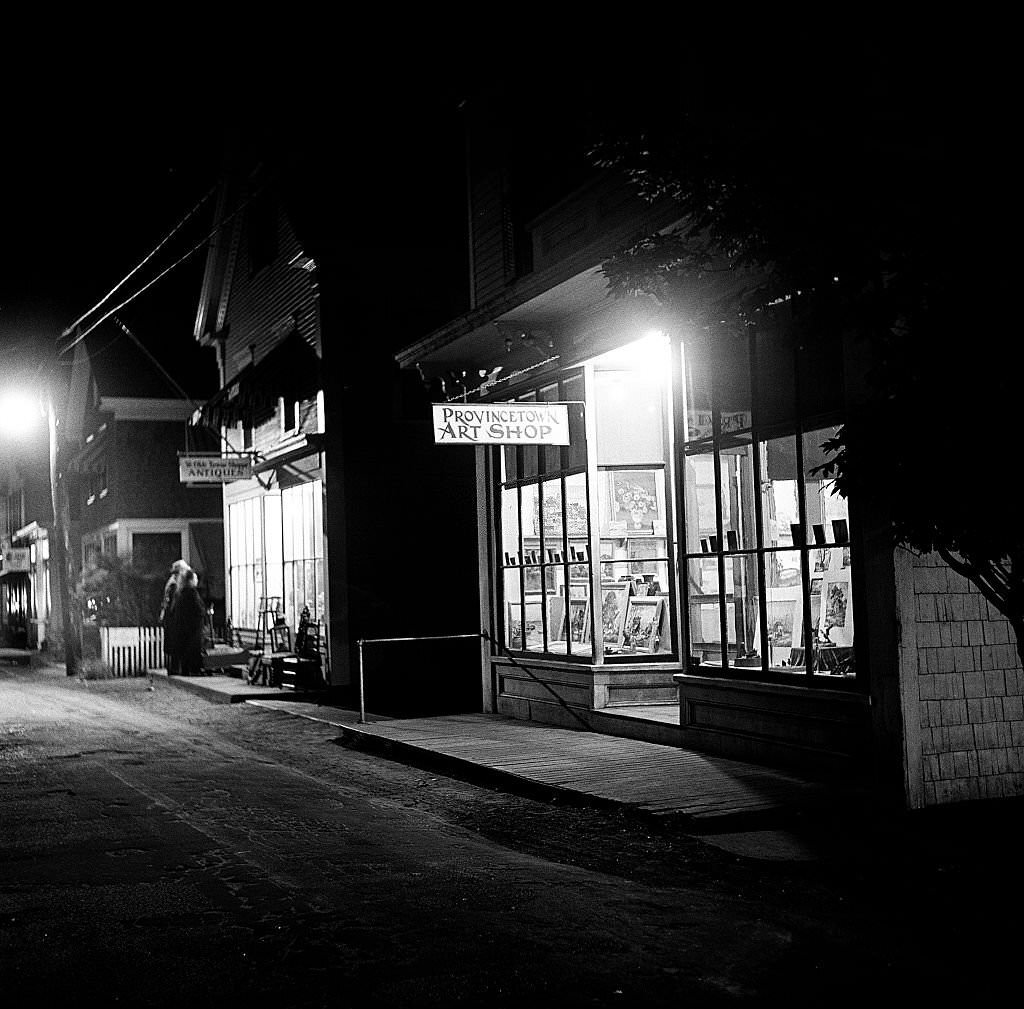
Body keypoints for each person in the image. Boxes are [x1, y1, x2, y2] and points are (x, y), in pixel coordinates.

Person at [159, 559, 190, 674]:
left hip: (172, 619)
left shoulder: (171, 583)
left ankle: (174, 667)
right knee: (176, 644)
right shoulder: (175, 585)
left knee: (174, 645)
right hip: (174, 619)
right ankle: (176, 668)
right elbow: (172, 604)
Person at [175, 569, 207, 676]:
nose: (197, 580)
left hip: (183, 627)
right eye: (195, 578)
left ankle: (185, 669)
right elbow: (198, 609)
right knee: (193, 648)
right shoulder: (192, 593)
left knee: (184, 649)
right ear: (191, 580)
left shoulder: (181, 593)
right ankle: (195, 669)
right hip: (194, 627)